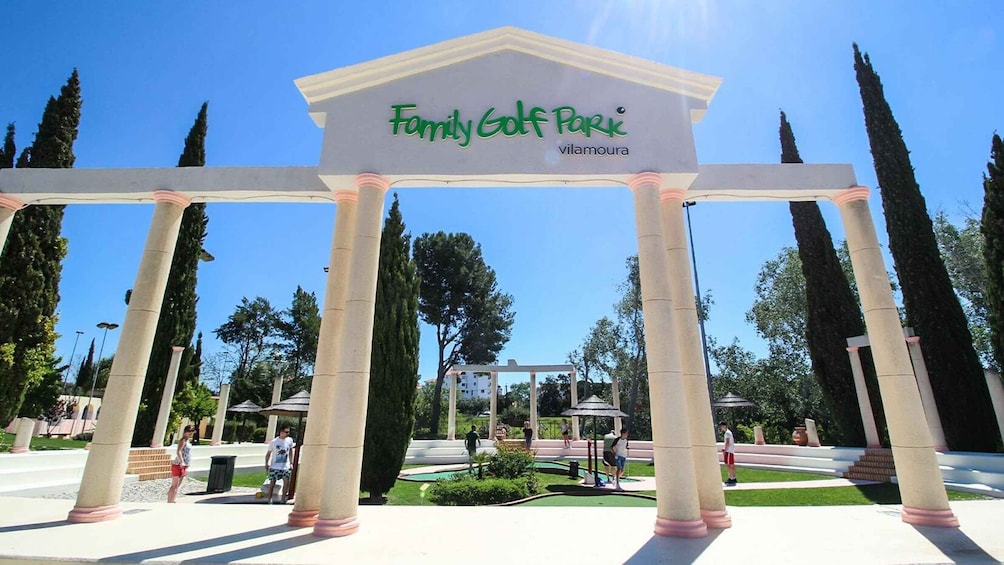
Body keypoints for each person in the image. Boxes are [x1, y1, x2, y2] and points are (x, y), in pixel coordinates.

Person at [265, 425, 296, 504]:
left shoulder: (289, 440)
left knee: (286, 483)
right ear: (281, 432)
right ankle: (269, 499)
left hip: (285, 466)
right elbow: (268, 453)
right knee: (272, 483)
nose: (287, 434)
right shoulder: (274, 442)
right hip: (275, 466)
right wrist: (266, 463)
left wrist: (291, 463)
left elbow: (290, 451)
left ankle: (283, 499)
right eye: (286, 432)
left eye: (288, 432)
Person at [167, 425, 195, 503]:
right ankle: (170, 501)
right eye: (189, 431)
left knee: (178, 484)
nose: (191, 433)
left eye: (192, 431)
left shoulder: (188, 441)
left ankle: (172, 500)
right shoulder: (183, 440)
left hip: (184, 465)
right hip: (178, 464)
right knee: (175, 484)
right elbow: (179, 451)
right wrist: (182, 461)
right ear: (185, 432)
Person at [720, 421, 737, 486]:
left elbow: (727, 442)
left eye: (721, 426)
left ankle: (732, 478)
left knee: (729, 465)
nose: (721, 428)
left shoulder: (727, 433)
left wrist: (725, 450)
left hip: (729, 451)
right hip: (730, 451)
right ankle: (732, 477)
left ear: (724, 426)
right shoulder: (728, 433)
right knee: (730, 465)